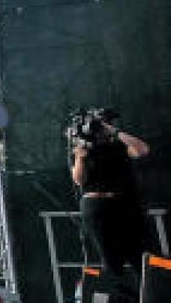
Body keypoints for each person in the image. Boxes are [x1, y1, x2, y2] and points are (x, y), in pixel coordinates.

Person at [70, 114, 154, 291]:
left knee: (141, 257)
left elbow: (142, 149)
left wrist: (114, 131)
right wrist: (80, 157)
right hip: (96, 207)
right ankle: (118, 296)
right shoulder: (84, 147)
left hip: (123, 205)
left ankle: (149, 294)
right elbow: (79, 180)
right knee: (110, 261)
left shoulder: (118, 145)